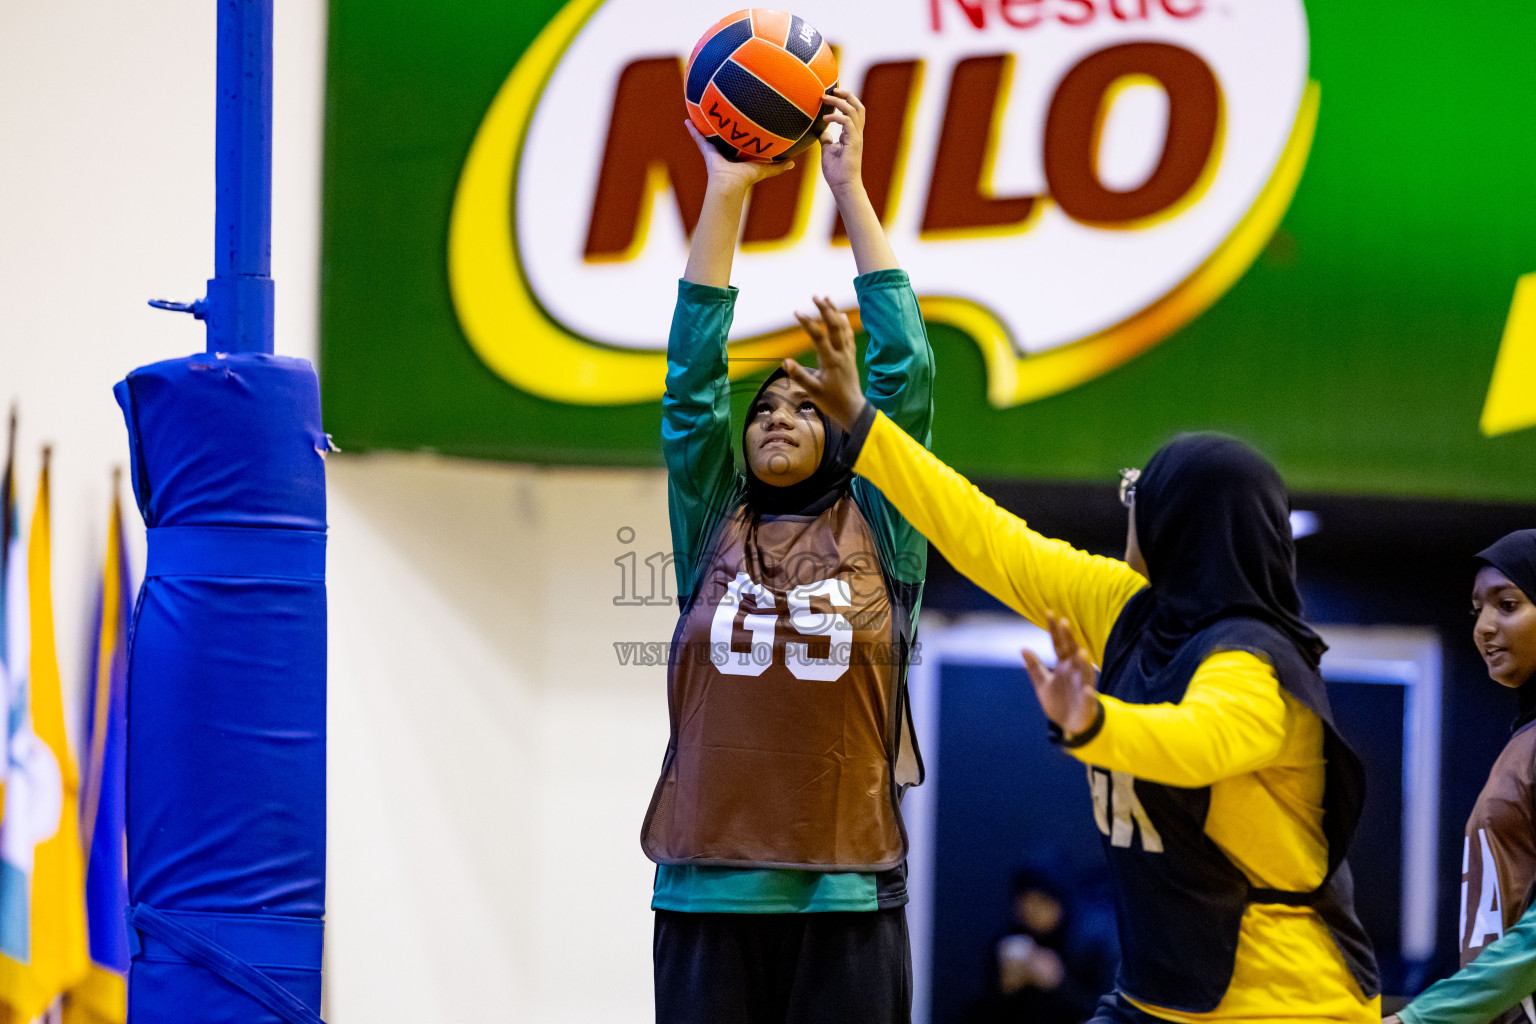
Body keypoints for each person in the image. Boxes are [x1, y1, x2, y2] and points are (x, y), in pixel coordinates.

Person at [782, 334, 1381, 1023]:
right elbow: (990, 538)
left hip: (1287, 1005)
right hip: (1159, 999)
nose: (1128, 502)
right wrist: (864, 430)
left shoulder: (1256, 662)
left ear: (1178, 519)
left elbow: (1195, 743)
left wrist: (1095, 723)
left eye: (1138, 488)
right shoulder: (1128, 608)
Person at [640, 88, 934, 1024]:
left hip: (843, 899)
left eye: (806, 405)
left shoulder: (885, 527)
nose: (775, 416)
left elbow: (907, 375)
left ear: (843, 433)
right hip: (703, 896)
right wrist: (727, 191)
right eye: (764, 406)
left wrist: (848, 192)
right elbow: (691, 384)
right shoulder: (711, 526)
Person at [1385, 530, 1536, 1024]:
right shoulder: (1523, 738)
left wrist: (1423, 1018)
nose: (1485, 627)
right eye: (1478, 610)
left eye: (1508, 604)